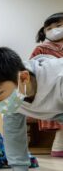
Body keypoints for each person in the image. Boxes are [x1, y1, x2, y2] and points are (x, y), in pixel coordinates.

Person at [30, 12, 63, 157]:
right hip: (52, 88)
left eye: (59, 26)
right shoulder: (41, 48)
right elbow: (31, 68)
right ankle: (58, 147)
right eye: (48, 28)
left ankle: (58, 148)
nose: (54, 30)